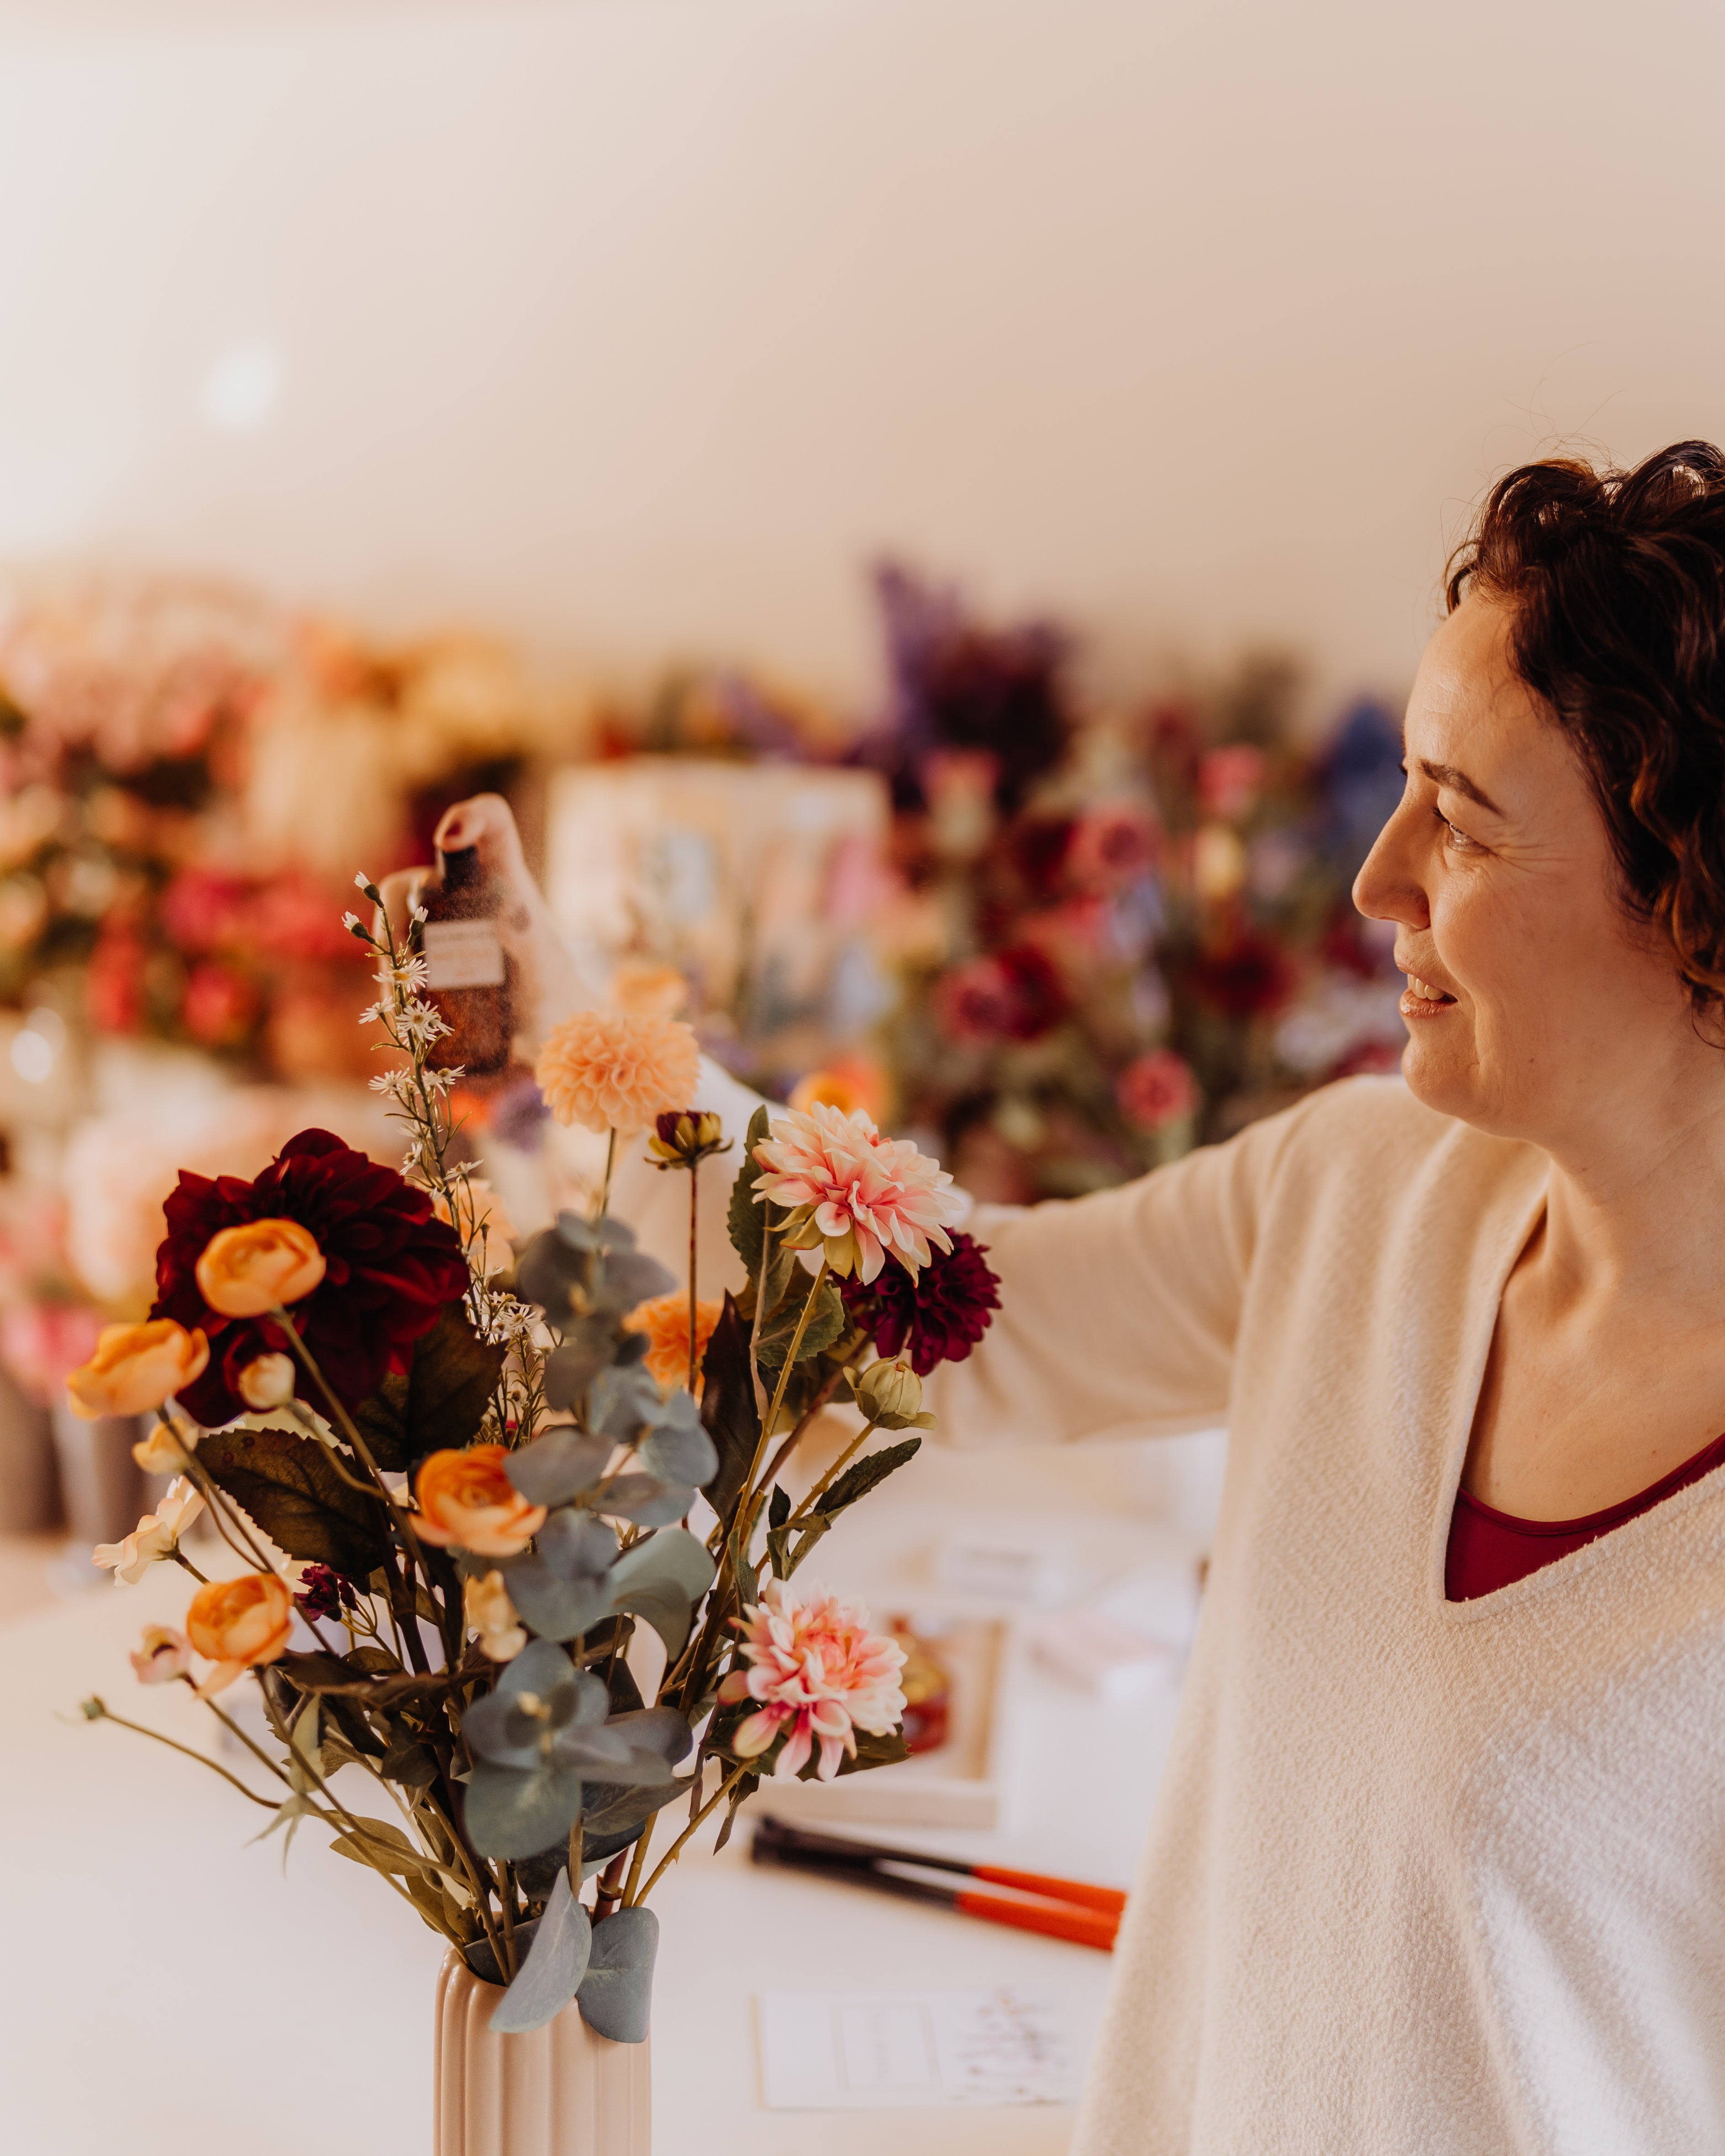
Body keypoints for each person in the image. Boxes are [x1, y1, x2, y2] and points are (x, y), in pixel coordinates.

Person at [927, 442, 1725, 2153]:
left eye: (1466, 821)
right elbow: (930, 1315)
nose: (1375, 880)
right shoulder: (1362, 1188)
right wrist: (584, 1051)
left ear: (1696, 916)